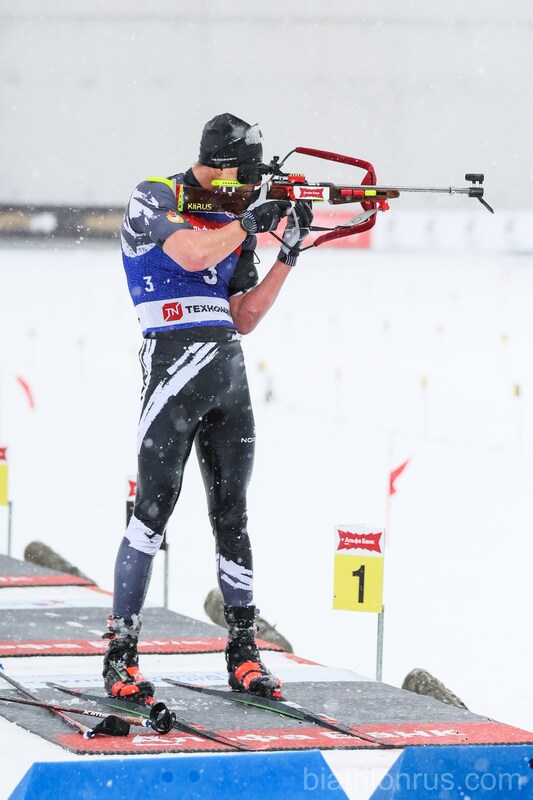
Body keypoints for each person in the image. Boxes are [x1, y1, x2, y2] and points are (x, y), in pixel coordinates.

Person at [102, 113, 312, 702]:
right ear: (220, 167)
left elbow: (244, 315)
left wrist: (288, 254)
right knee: (152, 512)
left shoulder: (230, 216)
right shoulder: (156, 195)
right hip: (172, 369)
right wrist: (248, 222)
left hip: (227, 375)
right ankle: (121, 655)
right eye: (245, 176)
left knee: (233, 517)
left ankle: (243, 652)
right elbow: (192, 255)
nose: (251, 187)